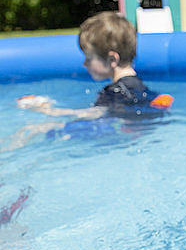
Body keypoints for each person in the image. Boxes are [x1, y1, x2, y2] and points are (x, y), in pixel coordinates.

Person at [5, 12, 173, 150]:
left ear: (112, 59)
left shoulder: (114, 91)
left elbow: (93, 114)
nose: (84, 64)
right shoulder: (139, 86)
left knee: (33, 130)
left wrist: (46, 109)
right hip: (136, 131)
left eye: (88, 58)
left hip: (116, 134)